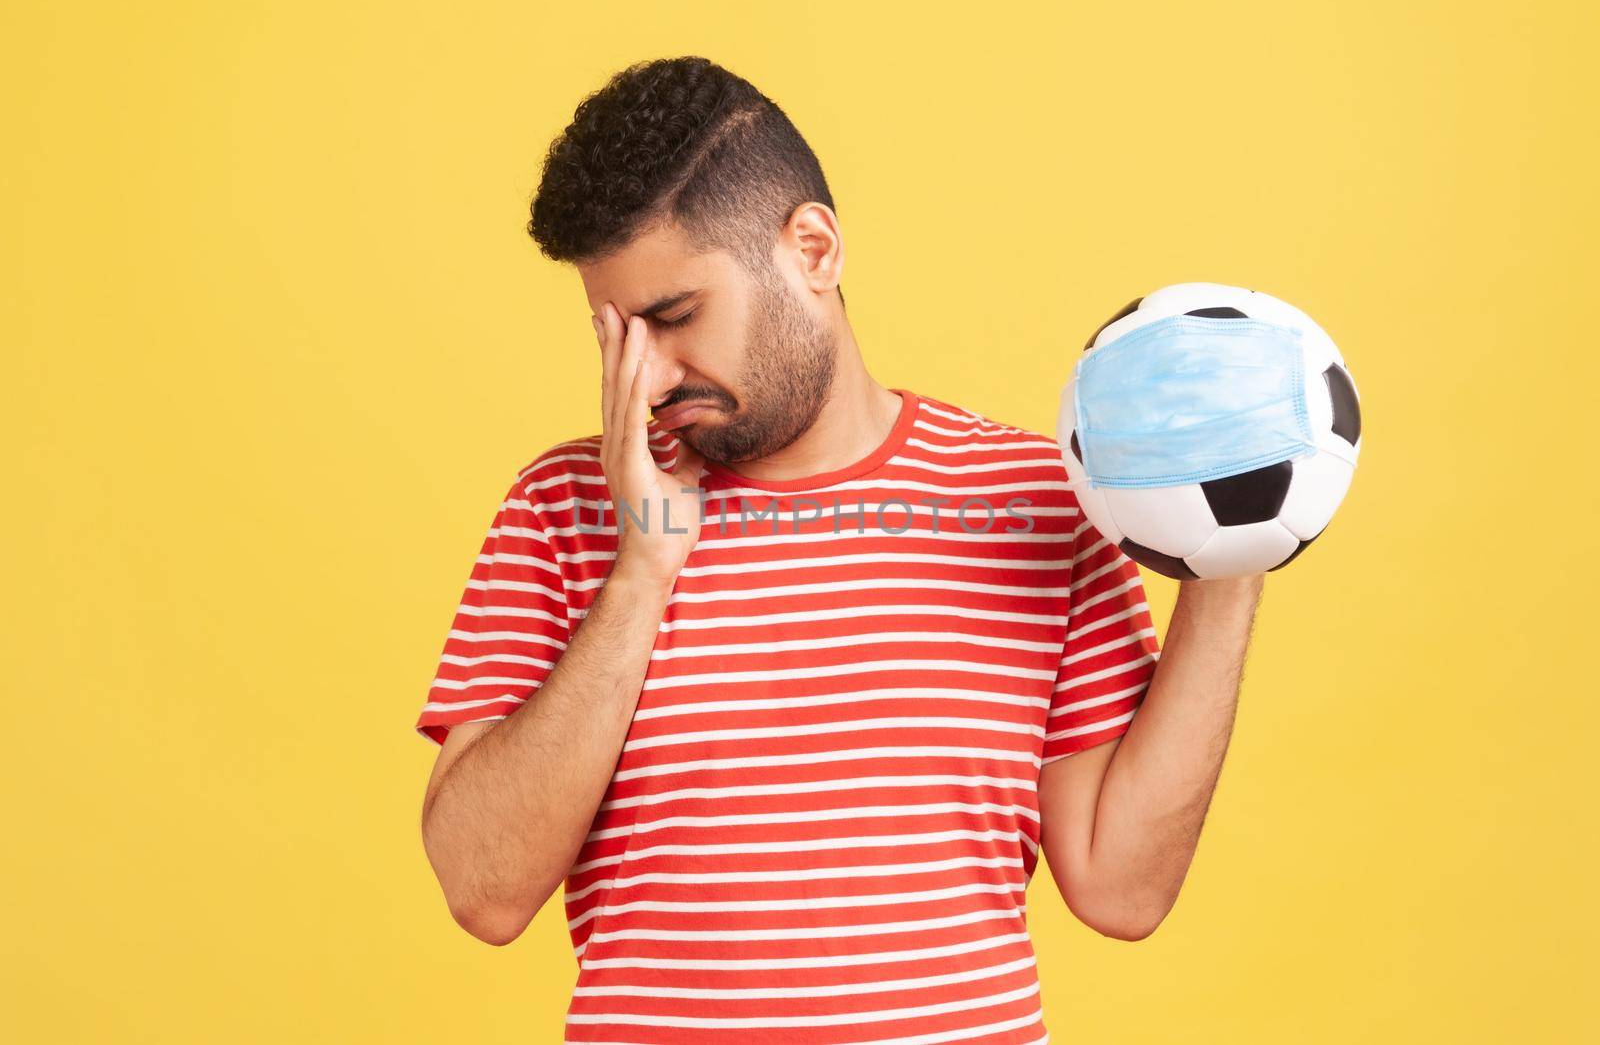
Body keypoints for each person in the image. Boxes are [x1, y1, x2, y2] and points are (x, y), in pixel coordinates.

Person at [414, 55, 1264, 1044]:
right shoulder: (565, 505)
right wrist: (641, 570)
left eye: (675, 317)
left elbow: (1121, 890)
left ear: (812, 248)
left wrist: (1231, 551)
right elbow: (484, 890)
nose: (643, 379)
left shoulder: (1033, 498)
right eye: (614, 335)